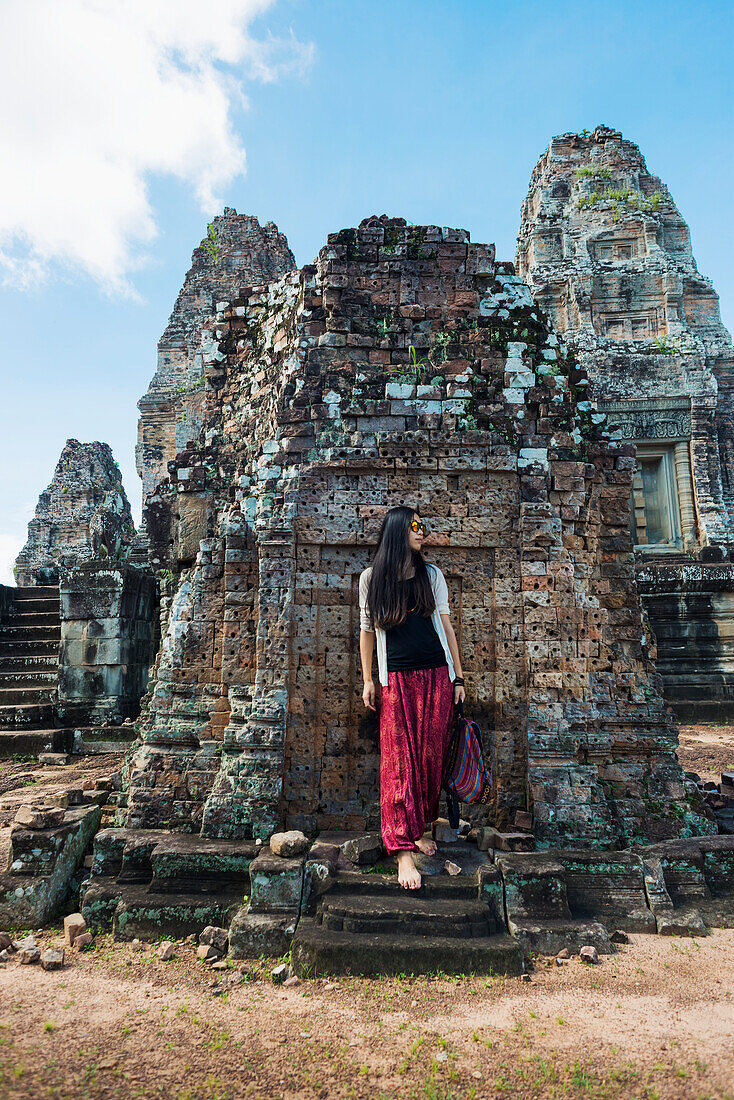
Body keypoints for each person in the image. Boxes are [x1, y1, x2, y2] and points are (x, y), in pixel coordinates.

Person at [359, 506, 466, 890]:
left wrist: (458, 676)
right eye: (417, 527)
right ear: (399, 531)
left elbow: (446, 625)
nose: (423, 533)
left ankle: (419, 827)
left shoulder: (431, 575)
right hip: (396, 682)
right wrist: (369, 679)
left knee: (430, 760)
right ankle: (403, 853)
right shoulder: (371, 579)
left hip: (437, 676)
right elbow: (367, 631)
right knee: (398, 764)